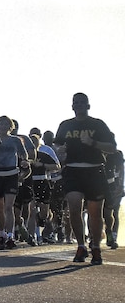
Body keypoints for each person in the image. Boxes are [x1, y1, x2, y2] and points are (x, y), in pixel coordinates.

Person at [54, 92, 117, 265]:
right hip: (73, 171)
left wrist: (93, 143)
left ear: (88, 106)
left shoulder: (98, 125)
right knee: (74, 207)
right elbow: (58, 144)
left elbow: (112, 148)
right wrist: (60, 151)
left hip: (94, 171)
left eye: (83, 102)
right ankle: (81, 245)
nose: (80, 105)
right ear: (72, 106)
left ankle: (95, 247)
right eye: (76, 102)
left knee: (95, 213)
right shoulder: (65, 125)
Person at [0, 116, 30, 250]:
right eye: (1, 123)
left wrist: (24, 162)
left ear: (10, 126)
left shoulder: (16, 140)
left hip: (11, 174)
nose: (3, 126)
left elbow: (24, 155)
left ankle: (11, 236)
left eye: (6, 124)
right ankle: (2, 234)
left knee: (9, 207)